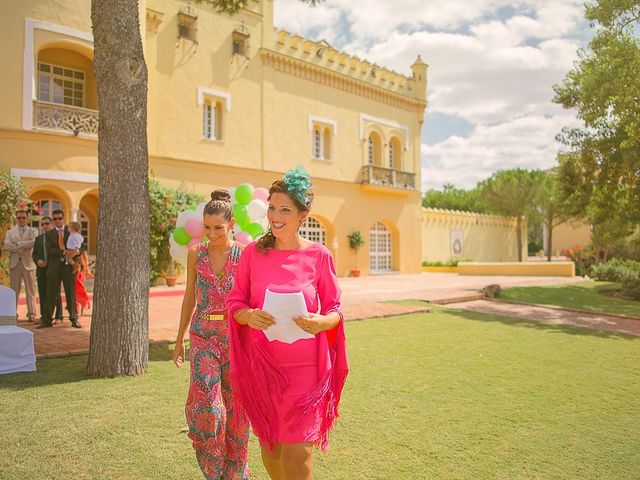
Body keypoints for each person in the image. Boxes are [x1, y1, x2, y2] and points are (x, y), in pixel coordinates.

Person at [227, 167, 348, 480]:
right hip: (264, 370)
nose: (275, 216)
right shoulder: (252, 253)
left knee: (298, 457)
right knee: (272, 452)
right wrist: (249, 316)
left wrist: (322, 322)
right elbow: (235, 302)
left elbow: (335, 308)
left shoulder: (319, 255)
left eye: (285, 210)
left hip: (306, 372)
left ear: (301, 215)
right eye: (271, 208)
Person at [173, 189, 250, 480]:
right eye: (207, 227)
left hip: (235, 338)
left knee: (237, 411)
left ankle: (236, 474)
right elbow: (189, 296)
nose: (211, 233)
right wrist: (179, 339)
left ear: (231, 224)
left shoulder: (243, 255)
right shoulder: (197, 253)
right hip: (203, 335)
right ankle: (213, 472)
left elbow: (250, 300)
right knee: (208, 408)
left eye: (218, 227)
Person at [37, 209, 82, 329]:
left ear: (63, 219)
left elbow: (82, 245)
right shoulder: (49, 234)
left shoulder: (70, 230)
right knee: (51, 294)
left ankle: (74, 319)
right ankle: (47, 321)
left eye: (60, 218)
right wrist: (64, 252)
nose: (58, 221)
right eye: (55, 219)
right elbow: (50, 250)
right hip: (54, 268)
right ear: (53, 220)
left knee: (70, 294)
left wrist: (77, 251)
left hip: (68, 269)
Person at [4, 209, 39, 322]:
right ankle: (12, 314)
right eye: (19, 218)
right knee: (14, 290)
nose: (21, 220)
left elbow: (34, 242)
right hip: (15, 263)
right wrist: (23, 246)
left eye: (23, 217)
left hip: (29, 263)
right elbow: (7, 245)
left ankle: (32, 313)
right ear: (16, 219)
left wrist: (19, 244)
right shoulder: (10, 232)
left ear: (27, 218)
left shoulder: (33, 231)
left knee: (31, 290)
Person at [31, 216, 63, 323]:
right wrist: (38, 261)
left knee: (56, 294)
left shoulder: (58, 236)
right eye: (43, 224)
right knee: (43, 293)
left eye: (47, 223)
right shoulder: (38, 239)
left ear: (52, 224)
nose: (45, 226)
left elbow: (61, 252)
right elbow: (34, 254)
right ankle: (44, 316)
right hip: (41, 270)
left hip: (54, 269)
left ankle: (59, 317)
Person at [75, 250, 94, 316]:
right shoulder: (79, 267)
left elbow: (88, 273)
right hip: (78, 285)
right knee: (79, 298)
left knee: (81, 298)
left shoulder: (84, 268)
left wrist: (94, 277)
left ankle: (80, 312)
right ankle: (77, 311)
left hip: (80, 285)